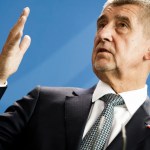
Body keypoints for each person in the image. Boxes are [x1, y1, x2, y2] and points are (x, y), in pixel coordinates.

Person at [0, 0, 150, 149]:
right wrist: (1, 76)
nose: (103, 34)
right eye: (102, 25)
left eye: (122, 25)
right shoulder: (41, 102)